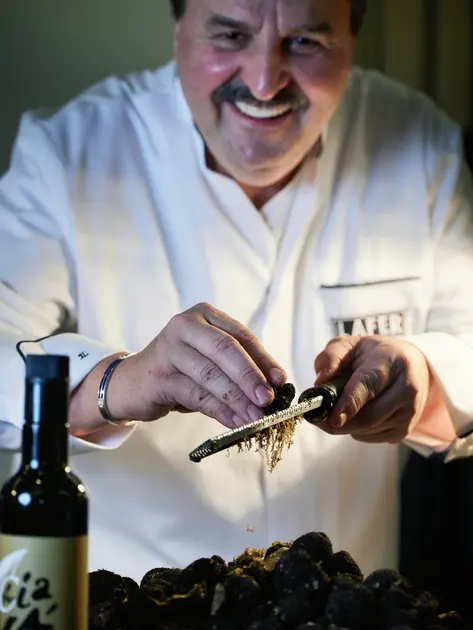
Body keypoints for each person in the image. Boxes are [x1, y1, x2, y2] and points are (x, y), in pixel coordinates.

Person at [0, 0, 473, 582]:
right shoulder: (66, 153)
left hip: (343, 606)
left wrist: (425, 375)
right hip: (133, 603)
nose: (263, 83)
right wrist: (116, 382)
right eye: (229, 35)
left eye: (305, 42)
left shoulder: (418, 141)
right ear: (179, 31)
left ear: (352, 37)